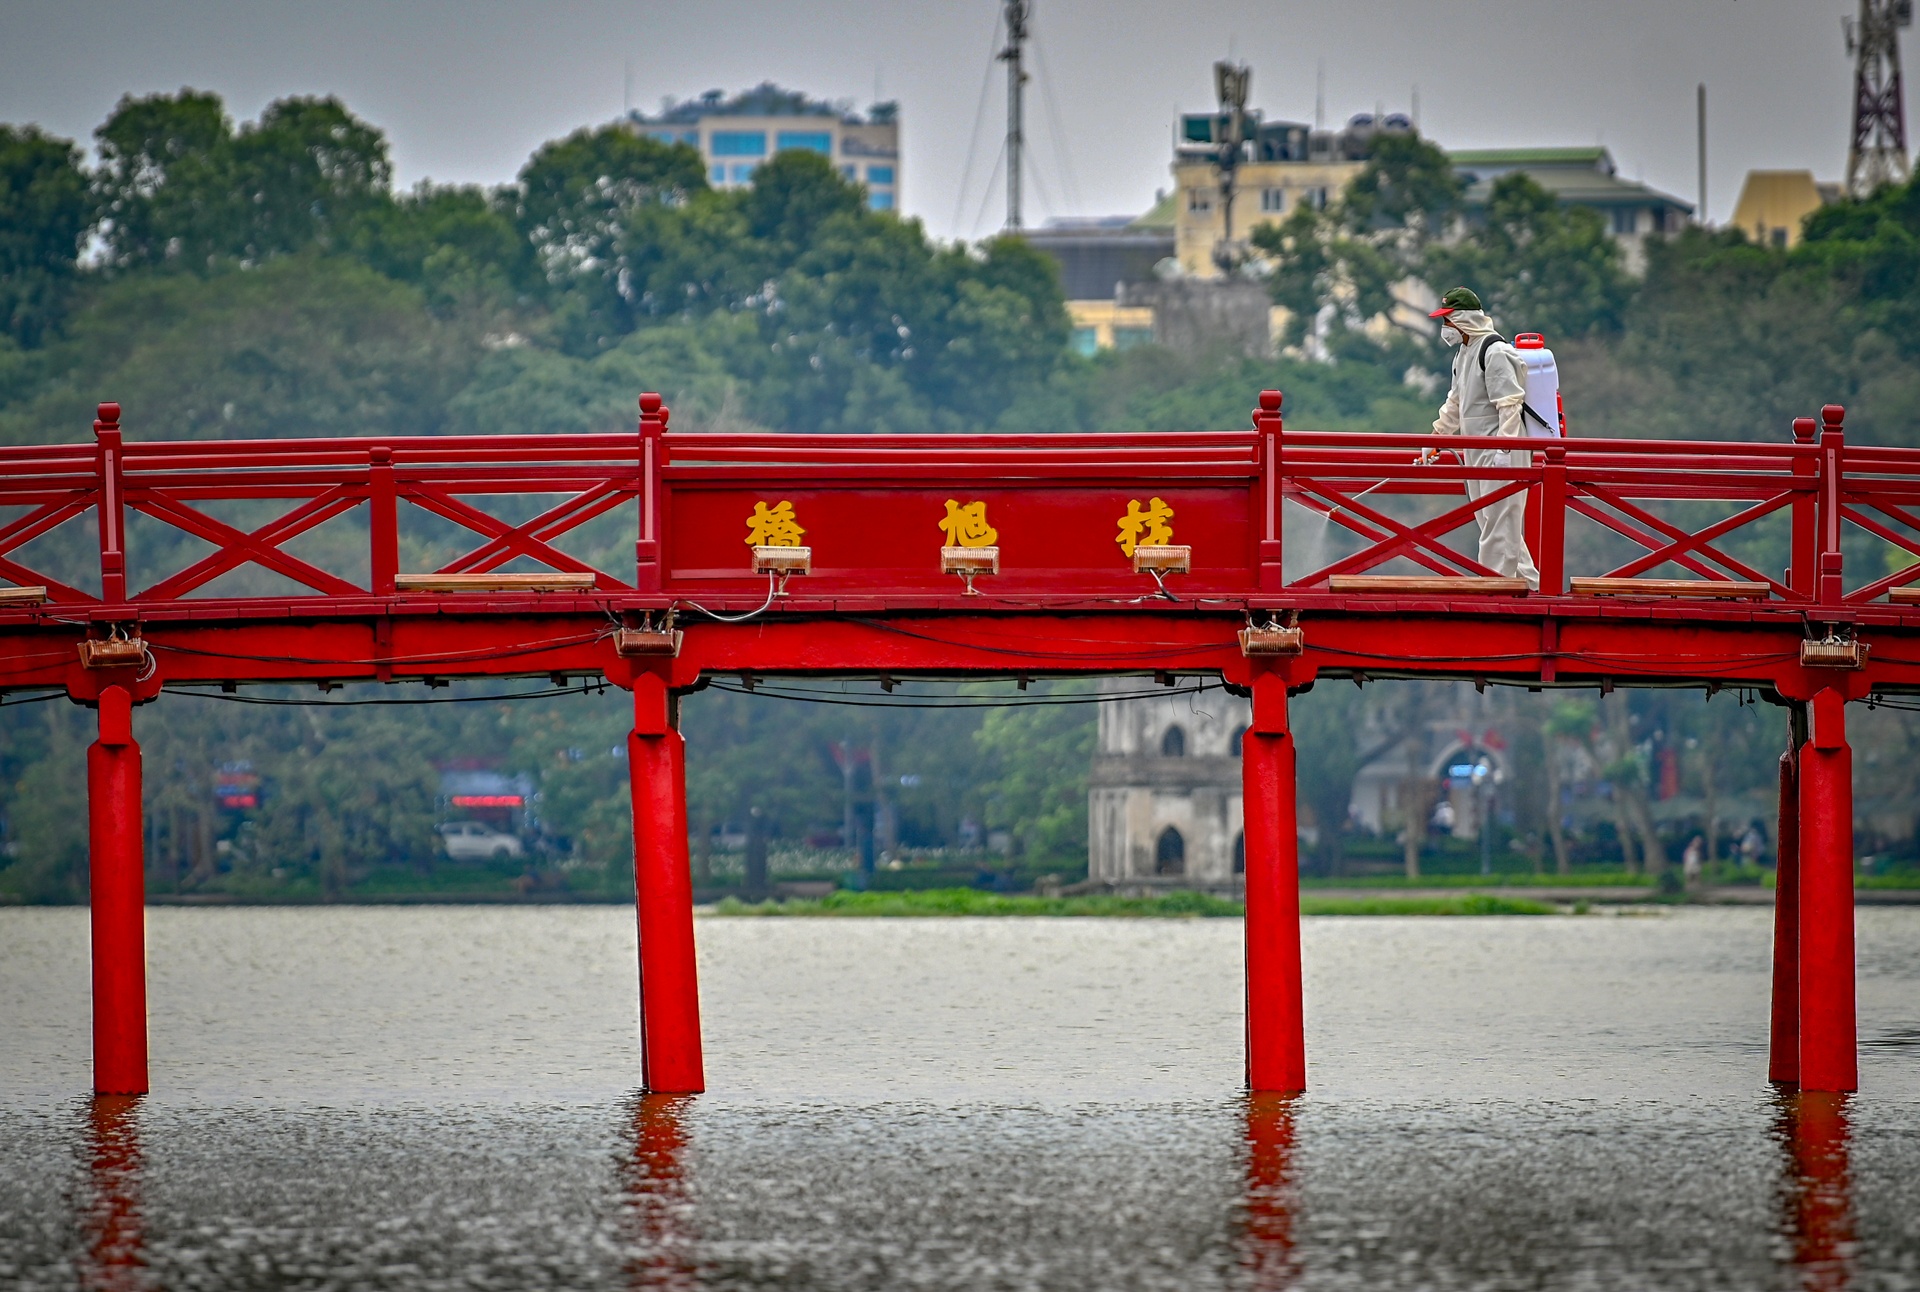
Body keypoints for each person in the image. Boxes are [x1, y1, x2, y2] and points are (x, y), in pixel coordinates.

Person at [1426, 286, 1541, 590]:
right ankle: (1531, 588)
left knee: (1498, 525)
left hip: (1500, 449)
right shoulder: (1464, 353)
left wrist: (1505, 446)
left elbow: (1509, 404)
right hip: (1477, 448)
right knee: (1494, 522)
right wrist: (1437, 436)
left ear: (1463, 318)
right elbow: (1456, 401)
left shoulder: (1495, 351)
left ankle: (1493, 590)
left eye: (1448, 320)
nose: (1445, 329)